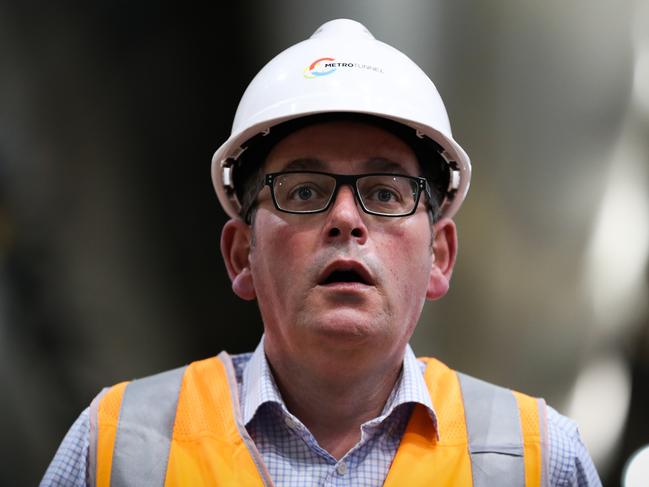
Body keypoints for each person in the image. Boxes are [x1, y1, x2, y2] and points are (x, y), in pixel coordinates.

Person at [41, 18, 601, 486]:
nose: (345, 219)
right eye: (304, 192)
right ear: (242, 255)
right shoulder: (116, 447)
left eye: (384, 193)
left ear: (439, 255)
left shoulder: (537, 459)